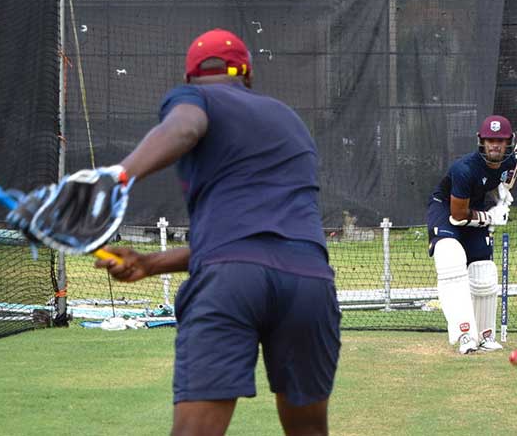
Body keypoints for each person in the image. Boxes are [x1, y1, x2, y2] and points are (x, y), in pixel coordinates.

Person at [93, 28, 341, 436]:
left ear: (189, 77)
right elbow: (259, 239)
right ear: (248, 76)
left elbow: (185, 128)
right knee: (309, 432)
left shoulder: (193, 98)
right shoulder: (290, 120)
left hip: (229, 282)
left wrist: (118, 176)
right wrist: (151, 263)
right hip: (308, 282)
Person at [426, 115, 517, 355]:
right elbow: (458, 215)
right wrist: (490, 216)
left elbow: (502, 181)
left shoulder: (510, 162)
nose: (494, 145)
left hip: (473, 209)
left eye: (500, 140)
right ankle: (465, 333)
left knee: (484, 272)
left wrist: (501, 198)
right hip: (447, 210)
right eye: (490, 140)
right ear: (481, 141)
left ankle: (485, 336)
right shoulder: (464, 168)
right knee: (450, 257)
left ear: (508, 142)